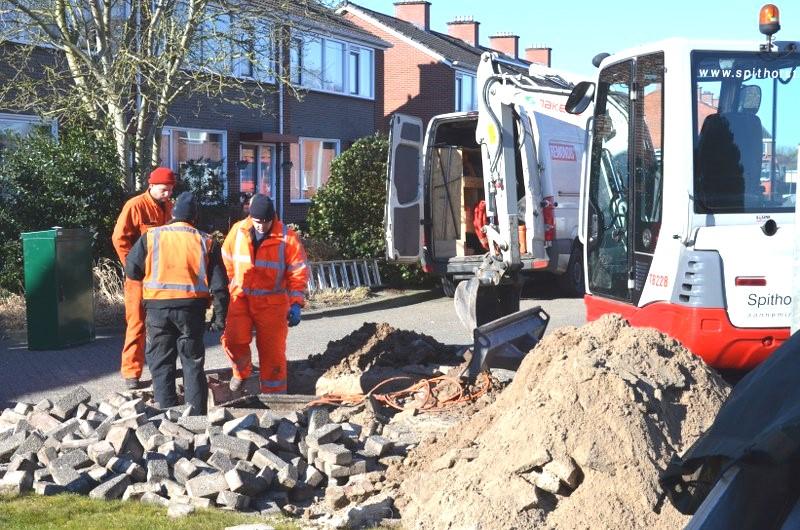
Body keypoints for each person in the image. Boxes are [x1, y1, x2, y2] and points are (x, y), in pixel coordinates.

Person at [124, 192, 228, 414]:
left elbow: (131, 269)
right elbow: (220, 287)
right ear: (194, 217)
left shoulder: (152, 236)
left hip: (158, 310)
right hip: (192, 311)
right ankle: (196, 416)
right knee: (192, 364)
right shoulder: (206, 241)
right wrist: (219, 318)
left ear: (173, 214)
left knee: (161, 364)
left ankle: (166, 416)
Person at [221, 194, 308, 394]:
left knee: (272, 353)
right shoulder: (238, 231)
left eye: (265, 222)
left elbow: (298, 272)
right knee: (233, 340)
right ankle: (242, 372)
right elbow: (227, 258)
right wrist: (233, 284)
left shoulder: (288, 238)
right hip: (241, 298)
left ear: (273, 218)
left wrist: (296, 303)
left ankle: (275, 397)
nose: (261, 226)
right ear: (250, 217)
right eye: (257, 221)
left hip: (272, 303)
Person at [112, 167, 175, 389]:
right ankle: (131, 373)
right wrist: (133, 268)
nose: (167, 194)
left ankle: (164, 368)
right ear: (151, 186)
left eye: (169, 190)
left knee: (164, 324)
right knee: (137, 323)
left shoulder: (170, 207)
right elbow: (119, 239)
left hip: (162, 278)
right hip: (138, 278)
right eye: (163, 190)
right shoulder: (135, 205)